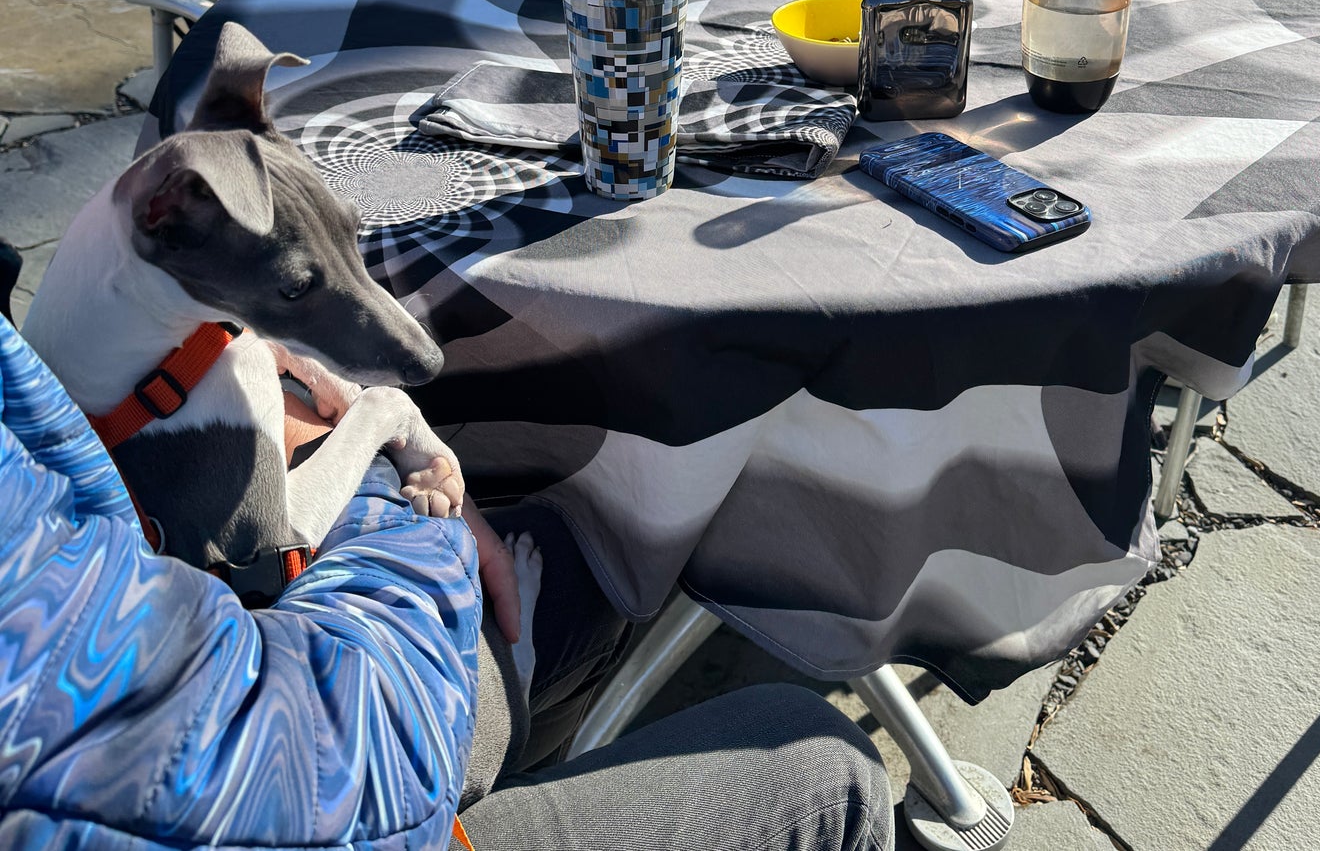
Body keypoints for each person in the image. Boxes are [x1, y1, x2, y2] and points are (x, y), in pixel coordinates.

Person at [0, 314, 894, 850]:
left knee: (572, 577)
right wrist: (382, 475)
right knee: (826, 763)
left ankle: (501, 775)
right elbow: (297, 766)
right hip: (295, 779)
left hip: (209, 710)